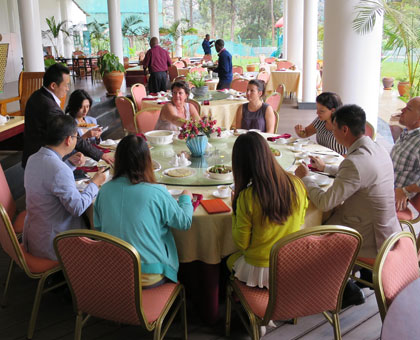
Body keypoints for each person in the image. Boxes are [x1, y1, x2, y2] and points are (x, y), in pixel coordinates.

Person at [295, 104, 400, 308]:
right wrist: (326, 168)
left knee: (309, 233)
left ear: (344, 130)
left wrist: (306, 178)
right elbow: (358, 174)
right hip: (386, 225)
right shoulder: (375, 147)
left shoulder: (355, 163)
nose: (332, 133)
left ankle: (344, 289)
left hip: (367, 234)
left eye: (333, 129)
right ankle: (360, 275)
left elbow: (325, 202)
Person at [94, 135, 193, 287]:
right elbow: (184, 223)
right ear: (147, 160)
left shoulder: (104, 191)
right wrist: (185, 199)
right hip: (148, 275)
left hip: (112, 274)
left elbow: (99, 229)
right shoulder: (156, 192)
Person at [227, 132, 308, 289]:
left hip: (260, 269)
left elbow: (241, 243)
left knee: (228, 260)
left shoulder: (247, 197)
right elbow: (301, 220)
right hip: (291, 264)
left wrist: (234, 210)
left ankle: (242, 305)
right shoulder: (297, 184)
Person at [23, 115, 106, 260]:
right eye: (76, 137)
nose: (76, 140)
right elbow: (77, 208)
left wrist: (70, 164)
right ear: (69, 140)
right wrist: (95, 183)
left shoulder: (33, 158)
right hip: (54, 244)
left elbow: (48, 178)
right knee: (102, 235)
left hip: (34, 236)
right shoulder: (59, 169)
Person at [22, 63, 113, 168]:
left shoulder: (37, 95)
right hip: (42, 162)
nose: (67, 89)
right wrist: (101, 155)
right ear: (53, 85)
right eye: (66, 85)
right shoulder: (49, 107)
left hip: (34, 157)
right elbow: (71, 135)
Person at [390, 97, 420, 211]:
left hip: (392, 198)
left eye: (408, 109)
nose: (402, 110)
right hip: (383, 188)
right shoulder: (408, 132)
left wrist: (405, 190)